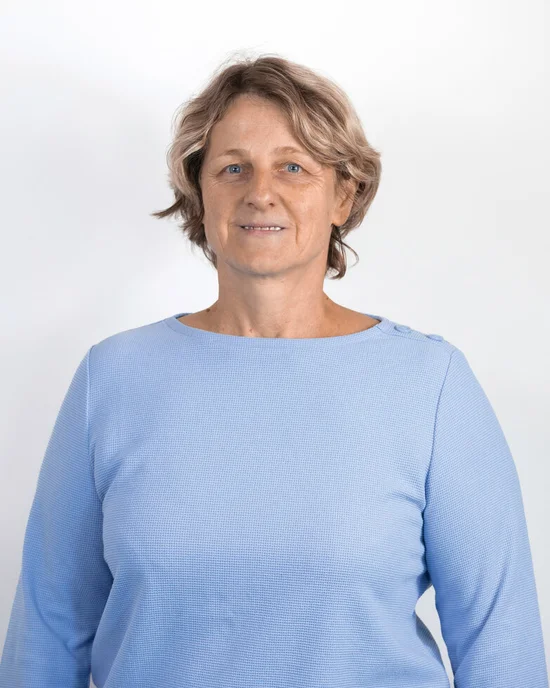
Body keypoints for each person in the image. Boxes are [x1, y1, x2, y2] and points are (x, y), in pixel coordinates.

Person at [0, 54, 547, 688]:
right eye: (233, 168)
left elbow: (500, 645)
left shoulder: (431, 384)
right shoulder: (112, 378)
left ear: (344, 194)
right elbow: (48, 631)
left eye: (293, 166)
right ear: (200, 194)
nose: (260, 191)